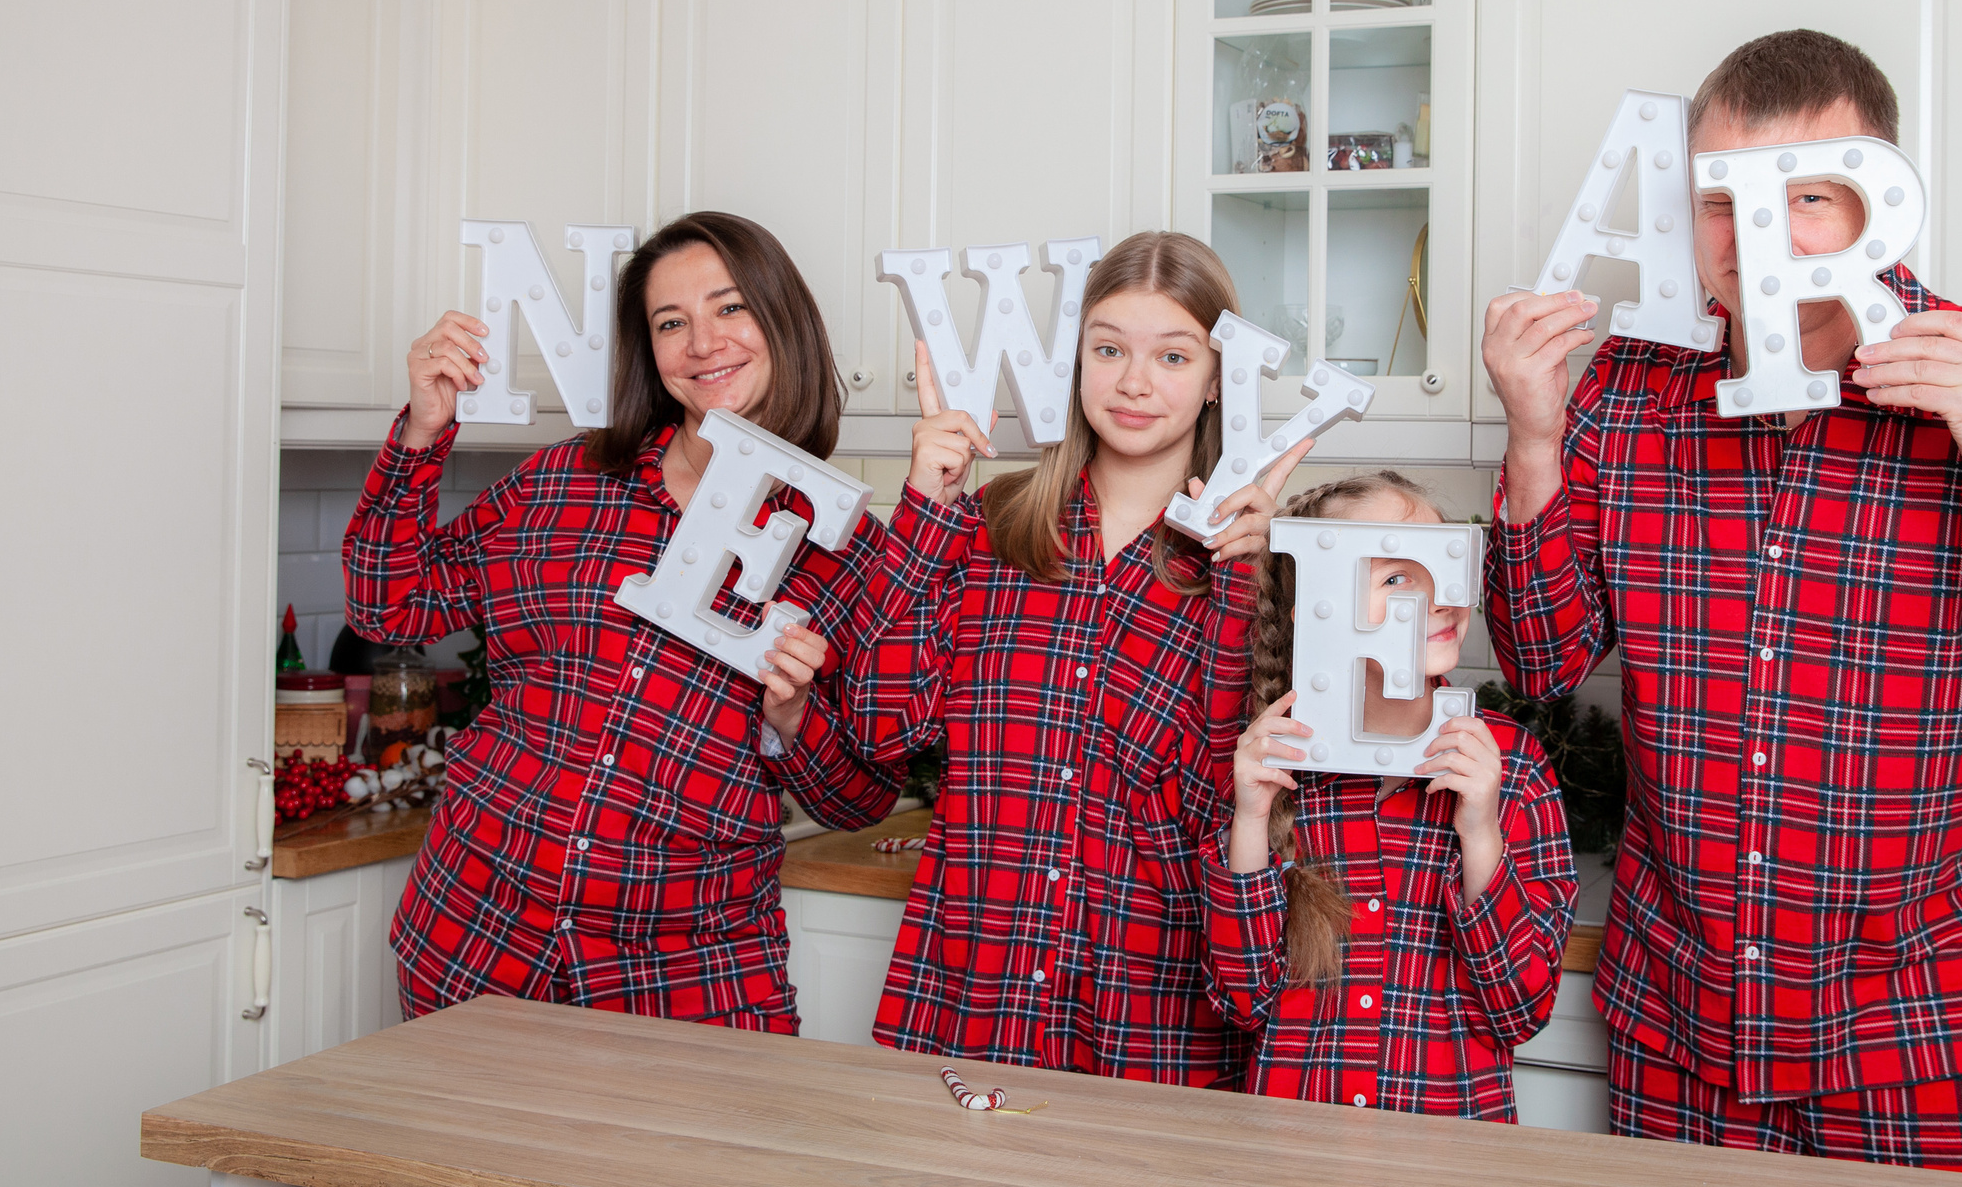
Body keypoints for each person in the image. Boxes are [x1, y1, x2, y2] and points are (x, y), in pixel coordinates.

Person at [1481, 29, 1962, 1174]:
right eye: (1721, 198)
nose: (1752, 237)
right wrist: (1533, 437)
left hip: (1913, 1035)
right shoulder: (1630, 384)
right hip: (1680, 1025)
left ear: (1879, 203)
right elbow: (1544, 660)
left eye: (1806, 195)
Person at [347, 211, 902, 1028]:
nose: (703, 343)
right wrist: (422, 434)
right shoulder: (560, 482)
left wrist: (791, 713)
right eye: (670, 322)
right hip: (474, 936)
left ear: (783, 321)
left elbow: (861, 799)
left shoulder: (849, 551)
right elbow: (389, 604)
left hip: (688, 976)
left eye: (730, 307)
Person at [849, 231, 1304, 1085]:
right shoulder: (989, 525)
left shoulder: (1254, 565)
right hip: (968, 1006)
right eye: (1109, 349)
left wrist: (1245, 582)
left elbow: (1233, 805)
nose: (1135, 382)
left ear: (1217, 383)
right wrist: (921, 508)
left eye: (1173, 355)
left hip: (1148, 1024)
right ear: (1076, 362)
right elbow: (880, 724)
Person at [1205, 472, 1575, 1119]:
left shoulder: (1512, 765)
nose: (1434, 598)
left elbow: (1522, 1008)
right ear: (1318, 603)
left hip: (1450, 1165)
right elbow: (1242, 1001)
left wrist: (1481, 831)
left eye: (1442, 568)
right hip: (1291, 1155)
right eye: (1396, 577)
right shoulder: (1275, 765)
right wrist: (1250, 819)